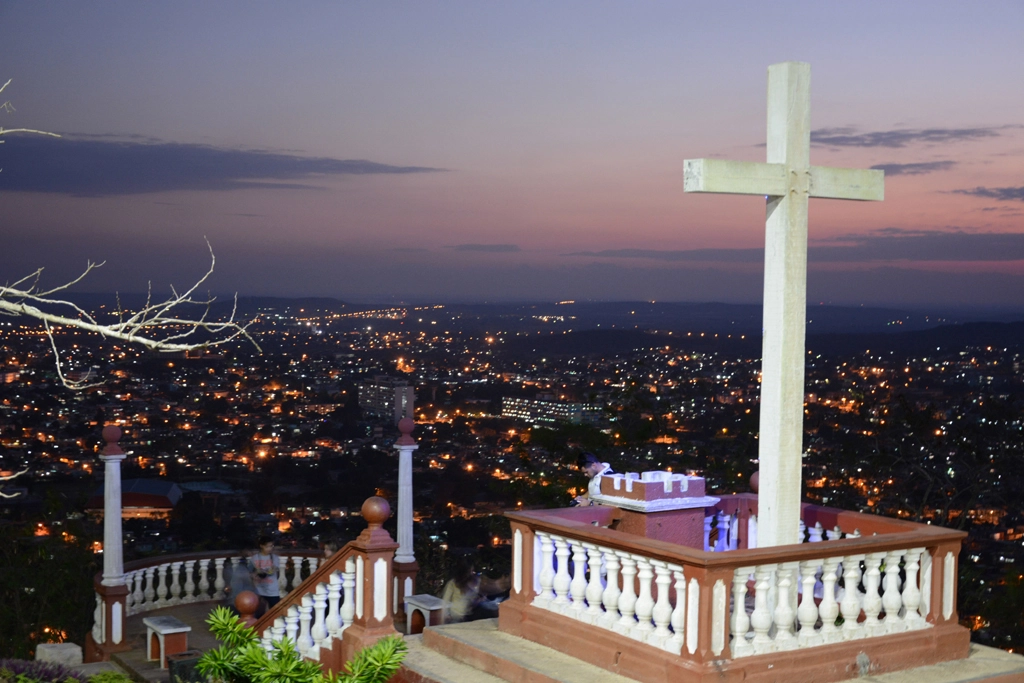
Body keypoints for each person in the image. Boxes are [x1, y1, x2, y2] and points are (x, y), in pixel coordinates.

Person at [440, 558, 509, 623]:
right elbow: (445, 601)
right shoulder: (453, 583)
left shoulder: (474, 582)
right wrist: (445, 617)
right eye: (471, 571)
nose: (472, 573)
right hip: (456, 616)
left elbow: (470, 602)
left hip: (467, 615)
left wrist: (480, 600)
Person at [248, 535, 281, 607]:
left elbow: (276, 568)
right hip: (258, 590)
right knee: (258, 613)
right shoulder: (254, 558)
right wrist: (256, 573)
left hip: (273, 590)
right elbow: (249, 572)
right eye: (267, 546)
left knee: (274, 611)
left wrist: (272, 570)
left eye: (271, 546)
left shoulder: (275, 557)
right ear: (261, 546)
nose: (270, 549)